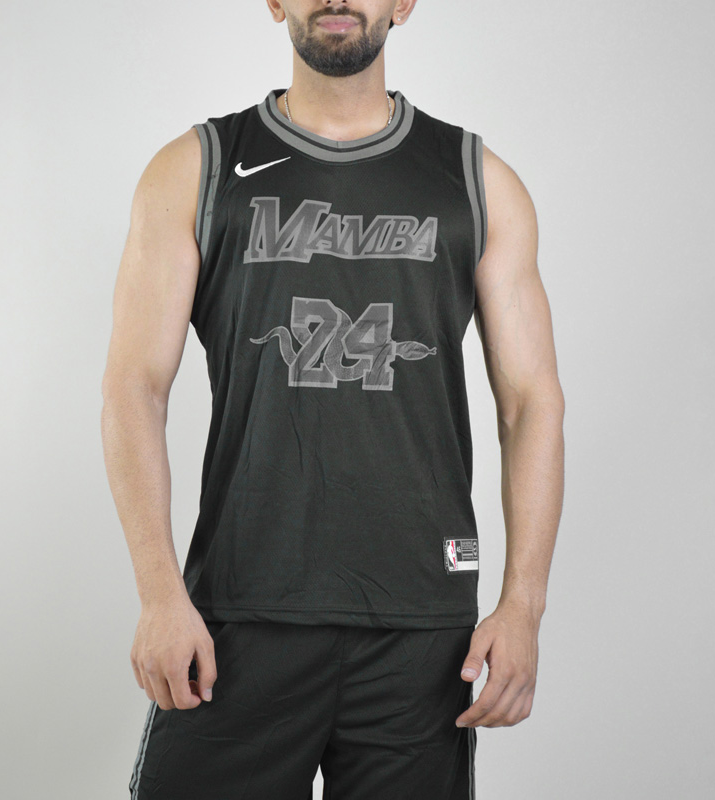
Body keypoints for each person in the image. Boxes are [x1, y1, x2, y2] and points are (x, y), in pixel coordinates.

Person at [100, 1, 565, 798]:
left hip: (420, 626)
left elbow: (531, 403)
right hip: (238, 614)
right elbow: (133, 388)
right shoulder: (195, 170)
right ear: (274, 2)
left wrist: (522, 607)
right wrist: (158, 595)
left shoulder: (476, 181)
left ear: (403, 3)